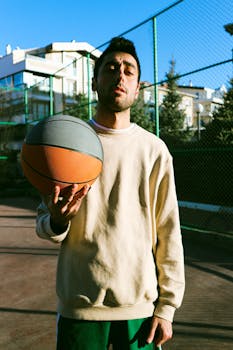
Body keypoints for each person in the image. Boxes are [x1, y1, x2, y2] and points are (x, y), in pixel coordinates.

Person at [36, 37, 185, 350]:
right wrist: (59, 221)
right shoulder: (67, 144)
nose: (120, 75)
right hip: (80, 309)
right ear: (94, 82)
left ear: (138, 88)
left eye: (129, 70)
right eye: (112, 68)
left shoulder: (154, 151)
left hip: (140, 312)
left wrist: (167, 307)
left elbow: (168, 231)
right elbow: (45, 226)